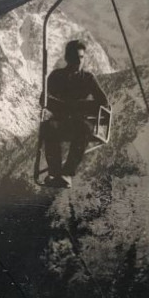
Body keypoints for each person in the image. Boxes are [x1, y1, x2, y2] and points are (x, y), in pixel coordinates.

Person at [40, 39, 109, 188]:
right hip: (61, 120)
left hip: (79, 122)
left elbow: (104, 103)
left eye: (81, 58)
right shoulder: (56, 77)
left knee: (84, 128)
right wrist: (63, 107)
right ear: (67, 58)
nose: (78, 62)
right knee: (49, 127)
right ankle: (55, 172)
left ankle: (67, 173)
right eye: (75, 58)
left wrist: (77, 107)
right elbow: (44, 99)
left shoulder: (88, 79)